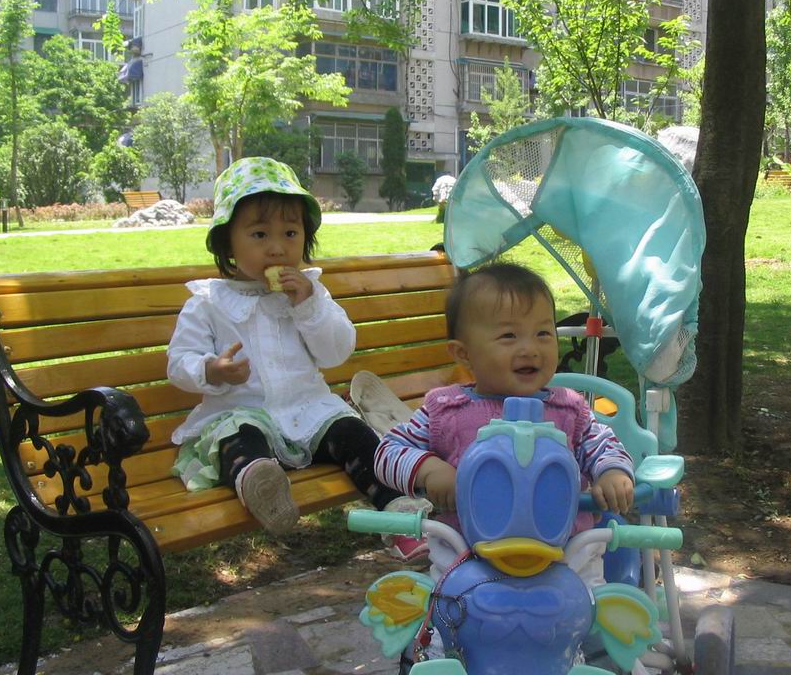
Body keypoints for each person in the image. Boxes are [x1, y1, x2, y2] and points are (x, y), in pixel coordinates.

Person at [167, 156, 399, 536]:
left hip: (308, 412)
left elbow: (336, 352)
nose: (277, 248)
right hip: (243, 413)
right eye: (260, 235)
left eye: (290, 233)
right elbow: (179, 361)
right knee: (237, 440)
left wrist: (309, 307)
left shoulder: (310, 294)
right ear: (227, 243)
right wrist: (211, 369)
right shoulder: (208, 303)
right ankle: (261, 485)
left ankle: (397, 506)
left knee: (353, 433)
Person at [375, 261, 635, 578]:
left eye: (543, 333)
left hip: (566, 559)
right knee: (445, 604)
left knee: (589, 601)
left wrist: (612, 472)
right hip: (467, 560)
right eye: (509, 336)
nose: (531, 349)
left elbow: (604, 444)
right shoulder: (445, 410)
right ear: (463, 353)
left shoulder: (570, 410)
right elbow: (387, 451)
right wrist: (430, 470)